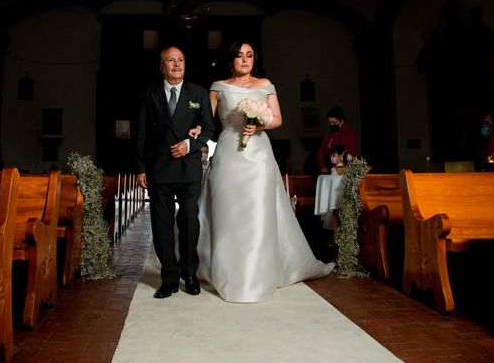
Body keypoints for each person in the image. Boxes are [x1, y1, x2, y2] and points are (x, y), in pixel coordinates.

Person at [194, 42, 334, 303]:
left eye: (249, 55)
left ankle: (256, 272)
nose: (245, 60)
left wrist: (259, 125)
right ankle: (224, 268)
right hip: (227, 151)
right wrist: (195, 134)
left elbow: (277, 119)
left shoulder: (265, 84)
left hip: (258, 154)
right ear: (231, 60)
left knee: (258, 209)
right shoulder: (217, 87)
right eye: (239, 56)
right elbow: (206, 121)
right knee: (227, 208)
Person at [135, 46, 215, 299]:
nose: (177, 64)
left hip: (188, 167)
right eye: (171, 60)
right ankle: (168, 278)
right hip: (159, 168)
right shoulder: (149, 94)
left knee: (190, 221)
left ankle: (189, 274)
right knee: (161, 224)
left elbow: (209, 130)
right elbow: (140, 134)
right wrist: (140, 169)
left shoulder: (199, 93)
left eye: (180, 60)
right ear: (162, 66)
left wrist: (190, 144)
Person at [316, 106, 359, 174]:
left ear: (341, 121)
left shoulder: (349, 133)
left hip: (343, 169)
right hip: (328, 169)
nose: (332, 125)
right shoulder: (327, 136)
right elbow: (320, 152)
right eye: (330, 123)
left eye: (334, 123)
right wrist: (322, 166)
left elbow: (351, 151)